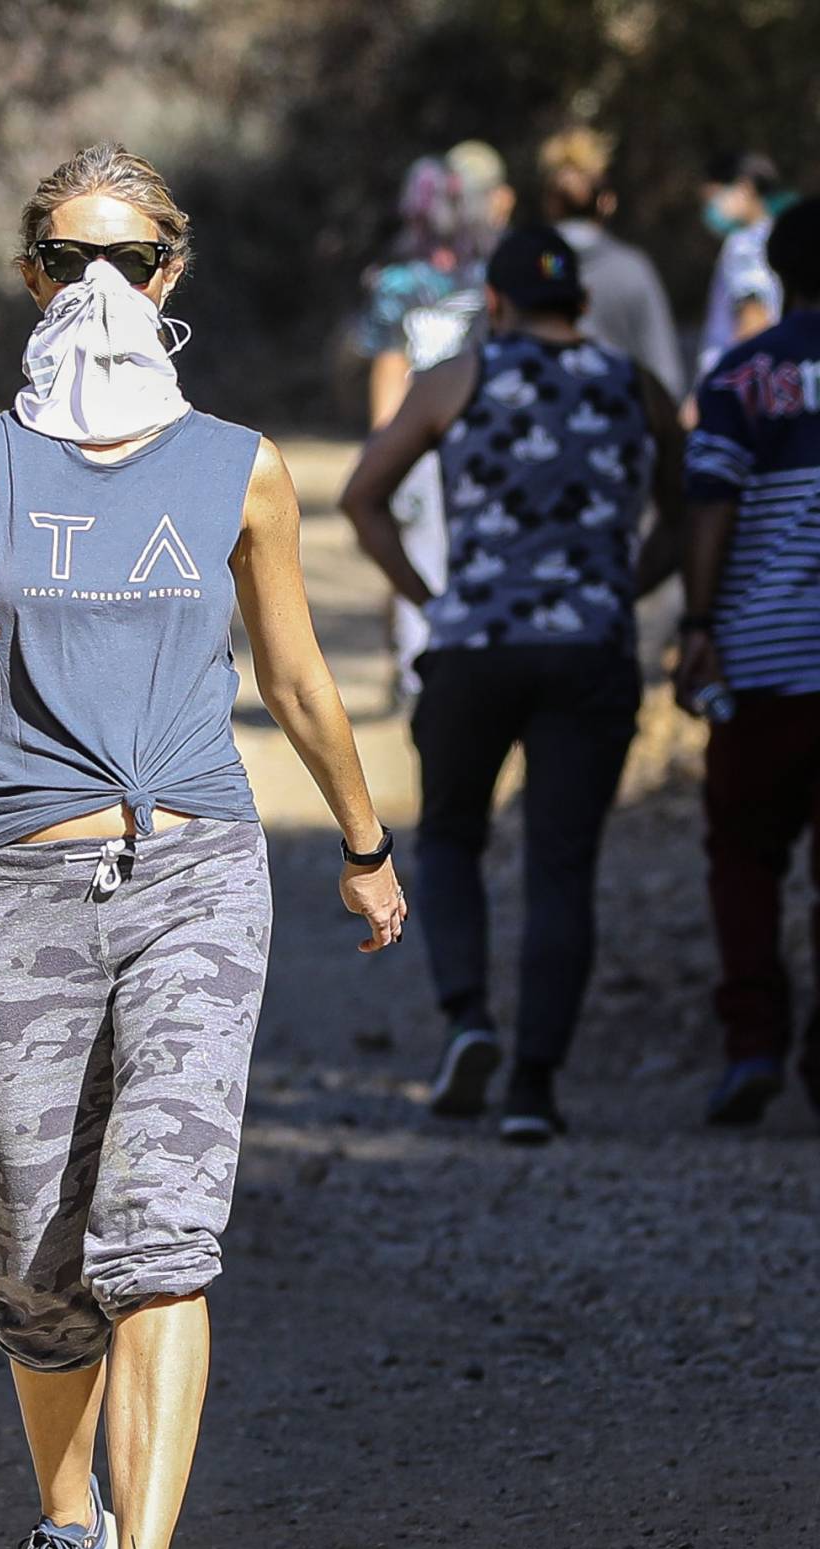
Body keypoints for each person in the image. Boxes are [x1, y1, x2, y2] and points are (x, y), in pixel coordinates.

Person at [0, 143, 404, 1549]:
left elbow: (298, 674)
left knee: (161, 1237)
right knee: (40, 1259)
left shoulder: (239, 464)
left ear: (171, 278)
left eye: (123, 260)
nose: (92, 288)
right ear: (28, 277)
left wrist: (367, 841)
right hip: (24, 874)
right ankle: (64, 1532)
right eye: (61, 260)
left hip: (196, 866)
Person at [341, 226, 683, 1143]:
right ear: (579, 301)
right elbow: (690, 508)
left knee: (452, 837)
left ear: (493, 303)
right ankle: (533, 1088)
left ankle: (468, 1020)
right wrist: (626, 589)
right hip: (593, 653)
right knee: (562, 865)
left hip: (477, 649)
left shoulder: (459, 378)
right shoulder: (633, 386)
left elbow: (362, 496)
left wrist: (429, 597)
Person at [678, 197, 820, 1128]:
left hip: (763, 663)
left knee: (743, 855)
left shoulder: (742, 374)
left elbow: (714, 505)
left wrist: (696, 623)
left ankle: (753, 1046)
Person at [355, 147, 510, 698]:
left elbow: (390, 362)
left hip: (421, 442)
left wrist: (382, 445)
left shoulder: (399, 282)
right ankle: (440, 666)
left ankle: (422, 669)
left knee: (419, 554)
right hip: (471, 439)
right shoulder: (485, 276)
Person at [540, 126, 684, 399]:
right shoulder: (632, 269)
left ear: (551, 202)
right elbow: (664, 375)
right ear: (607, 202)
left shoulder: (530, 268)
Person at [696, 152, 787, 382]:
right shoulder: (774, 236)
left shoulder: (744, 246)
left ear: (745, 188)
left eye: (716, 195)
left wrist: (718, 385)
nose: (710, 206)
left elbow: (754, 319)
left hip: (738, 379)